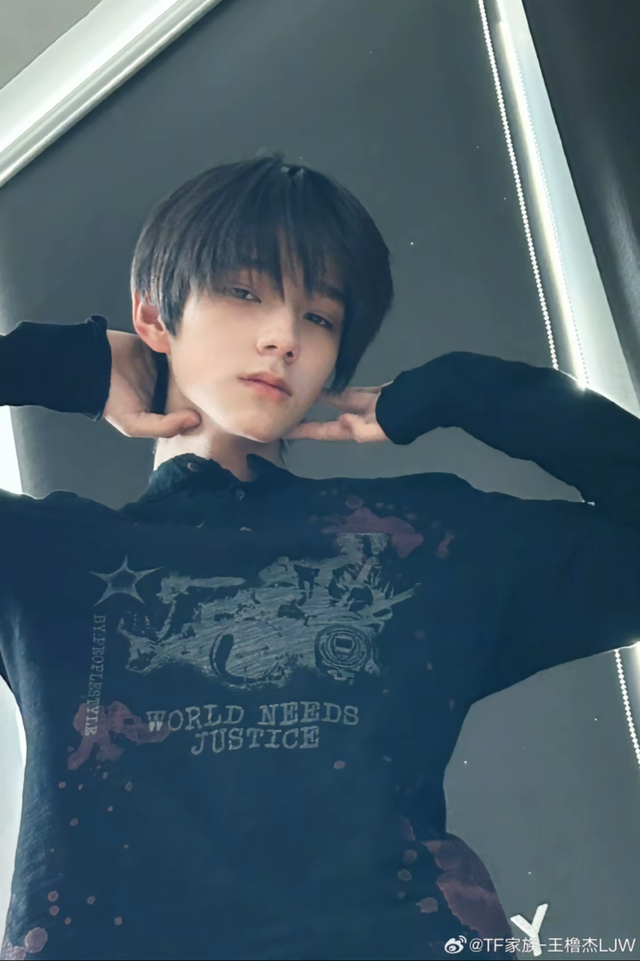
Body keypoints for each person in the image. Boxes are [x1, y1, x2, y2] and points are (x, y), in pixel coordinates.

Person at [0, 151, 639, 961]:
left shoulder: (415, 540)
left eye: (321, 317)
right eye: (243, 292)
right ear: (155, 317)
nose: (283, 338)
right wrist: (64, 364)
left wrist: (466, 391)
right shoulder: (49, 558)